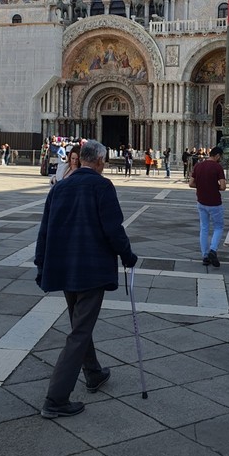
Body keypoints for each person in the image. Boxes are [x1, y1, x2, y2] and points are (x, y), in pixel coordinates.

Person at [34, 139, 137, 419]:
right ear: (101, 161)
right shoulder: (102, 186)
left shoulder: (61, 187)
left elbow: (45, 228)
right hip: (90, 269)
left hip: (64, 268)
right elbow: (113, 229)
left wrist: (41, 262)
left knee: (80, 323)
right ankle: (56, 398)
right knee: (79, 331)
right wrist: (128, 256)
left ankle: (93, 373)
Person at [189, 146, 226, 267]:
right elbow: (223, 186)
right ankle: (213, 250)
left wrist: (201, 186)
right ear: (218, 156)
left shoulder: (198, 165)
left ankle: (205, 256)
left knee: (204, 228)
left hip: (201, 201)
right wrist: (214, 187)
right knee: (218, 227)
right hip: (215, 202)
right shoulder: (218, 167)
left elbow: (191, 183)